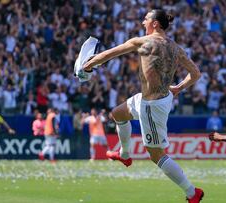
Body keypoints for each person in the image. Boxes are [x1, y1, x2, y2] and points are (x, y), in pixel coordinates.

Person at [83, 9, 203, 203]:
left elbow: (109, 54)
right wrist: (178, 88)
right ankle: (125, 155)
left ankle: (192, 192)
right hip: (152, 98)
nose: (142, 23)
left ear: (155, 23)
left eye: (145, 19)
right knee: (118, 114)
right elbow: (196, 73)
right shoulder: (176, 48)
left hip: (152, 105)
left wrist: (88, 65)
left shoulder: (143, 42)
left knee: (156, 155)